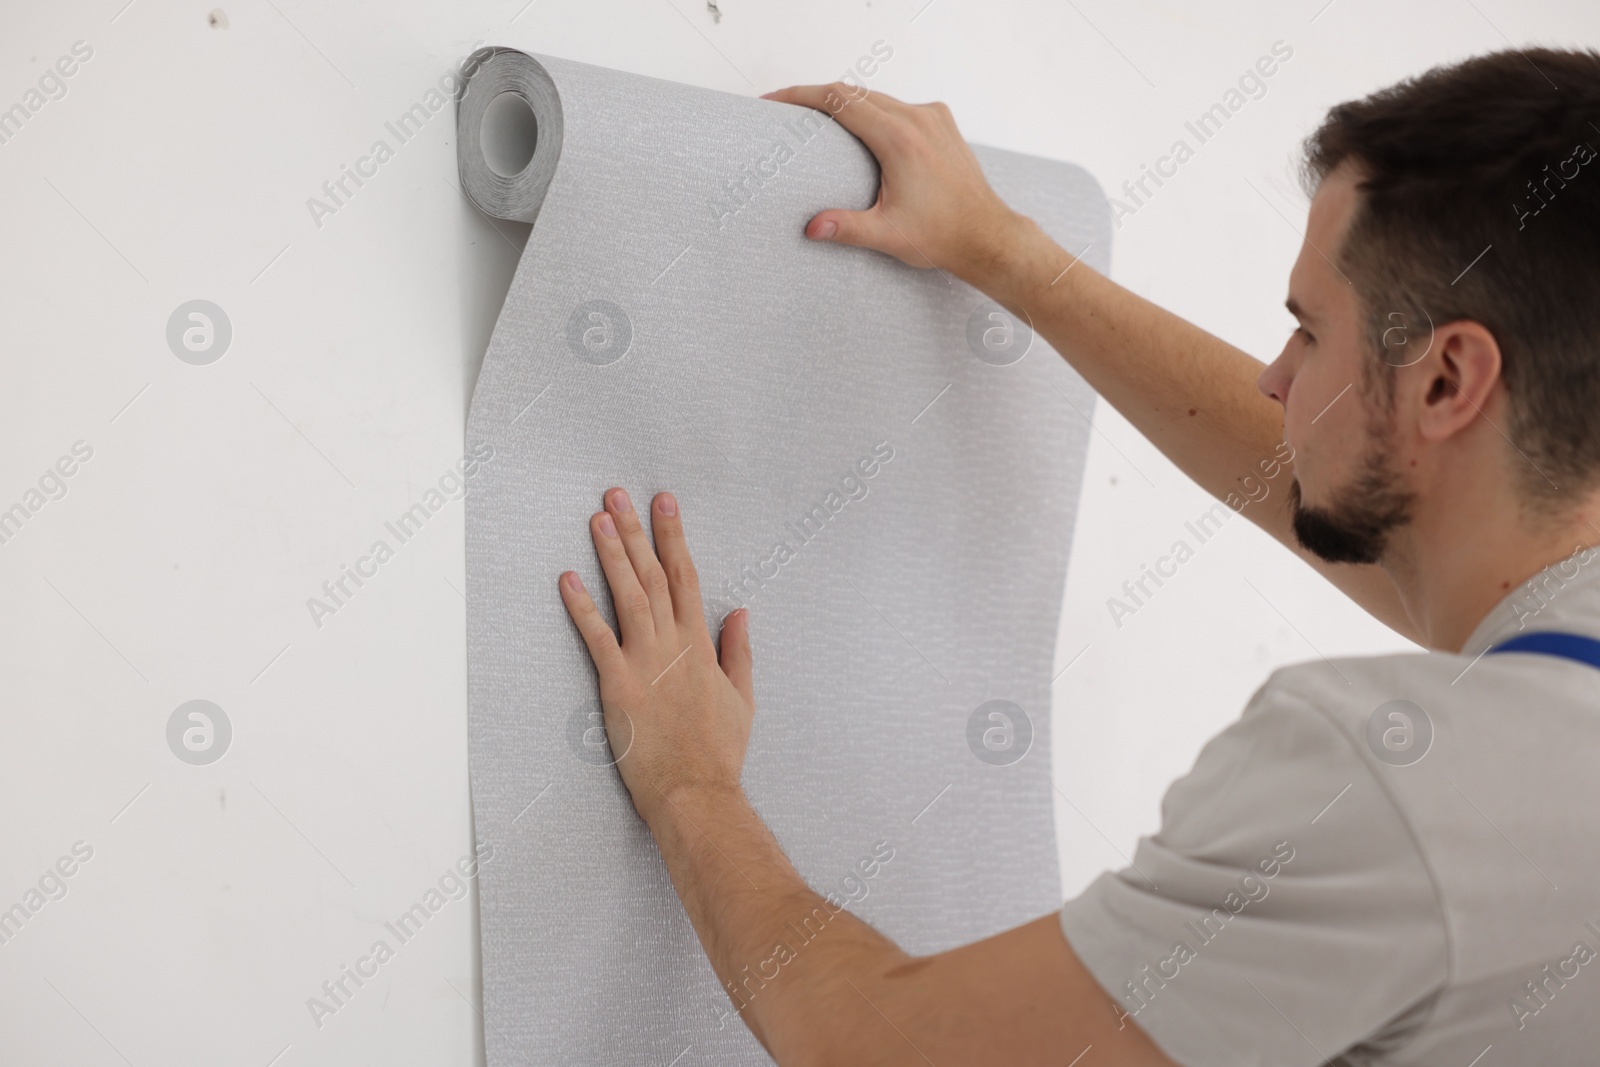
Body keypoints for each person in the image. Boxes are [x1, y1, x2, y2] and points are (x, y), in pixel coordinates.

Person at [555, 46, 1600, 1065]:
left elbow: (873, 1043)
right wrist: (1008, 253)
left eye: (1309, 332)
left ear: (1446, 380)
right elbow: (1347, 478)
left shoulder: (1396, 786)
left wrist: (692, 782)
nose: (1275, 383)